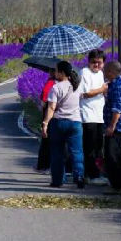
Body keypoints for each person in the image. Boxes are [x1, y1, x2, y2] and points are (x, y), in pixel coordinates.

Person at [41, 60, 84, 188]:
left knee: (57, 152)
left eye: (56, 70)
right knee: (76, 152)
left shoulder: (56, 87)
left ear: (61, 73)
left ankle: (58, 180)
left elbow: (51, 108)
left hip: (59, 122)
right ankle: (79, 177)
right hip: (75, 123)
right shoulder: (77, 86)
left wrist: (45, 123)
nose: (54, 73)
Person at [102, 60, 121, 194]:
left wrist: (112, 126)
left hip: (117, 126)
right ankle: (120, 186)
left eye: (105, 70)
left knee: (112, 155)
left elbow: (117, 108)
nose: (104, 73)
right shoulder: (116, 84)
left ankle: (118, 186)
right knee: (117, 155)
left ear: (111, 72)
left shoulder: (117, 86)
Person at [78, 50, 108, 185]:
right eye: (93, 62)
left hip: (99, 115)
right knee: (90, 147)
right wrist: (102, 90)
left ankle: (94, 173)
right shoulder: (84, 72)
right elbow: (85, 93)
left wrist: (104, 92)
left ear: (103, 63)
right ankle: (91, 175)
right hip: (88, 115)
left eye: (99, 62)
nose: (96, 65)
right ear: (88, 62)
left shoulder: (101, 74)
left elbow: (99, 92)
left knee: (98, 147)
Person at [34, 70, 57, 172]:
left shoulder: (50, 82)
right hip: (61, 115)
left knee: (46, 140)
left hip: (49, 114)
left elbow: (43, 100)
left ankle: (43, 165)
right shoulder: (67, 83)